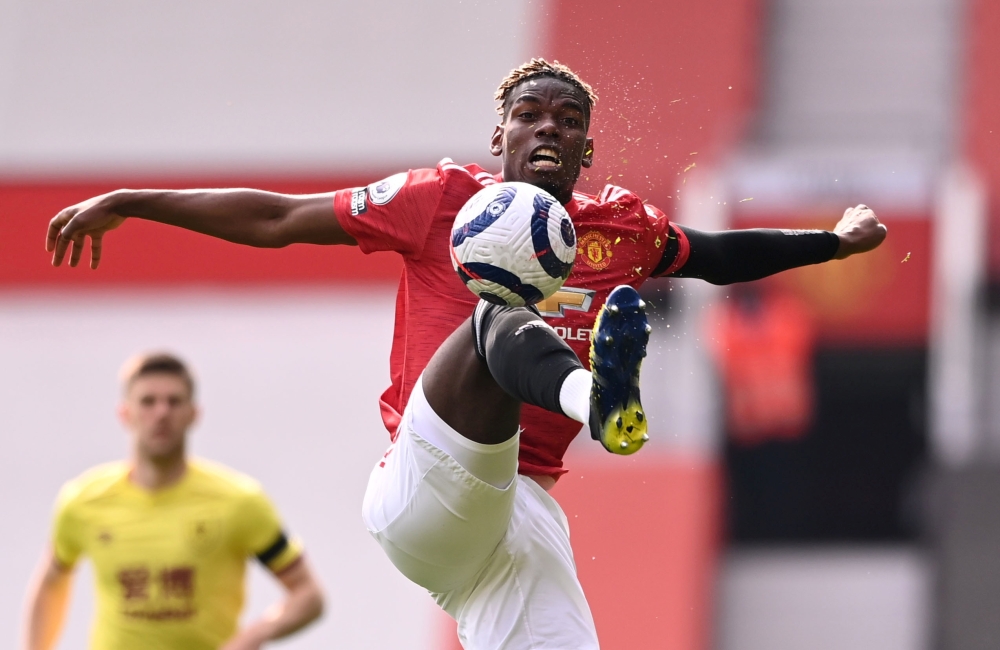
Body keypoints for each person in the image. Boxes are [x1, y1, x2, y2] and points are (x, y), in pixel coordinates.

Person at [44, 59, 886, 647]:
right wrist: (134, 200)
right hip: (425, 479)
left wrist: (833, 244)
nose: (548, 127)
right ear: (500, 134)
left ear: (588, 150)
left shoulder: (622, 228)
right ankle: (601, 403)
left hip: (518, 519)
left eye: (569, 120)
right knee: (498, 318)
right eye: (530, 115)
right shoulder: (438, 200)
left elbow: (719, 255)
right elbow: (277, 219)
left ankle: (600, 402)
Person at [20, 353, 324, 650]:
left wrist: (254, 636)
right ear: (125, 413)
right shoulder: (84, 501)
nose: (162, 413)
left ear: (194, 413)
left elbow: (308, 594)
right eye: (148, 401)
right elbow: (52, 582)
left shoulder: (239, 501)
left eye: (174, 401)